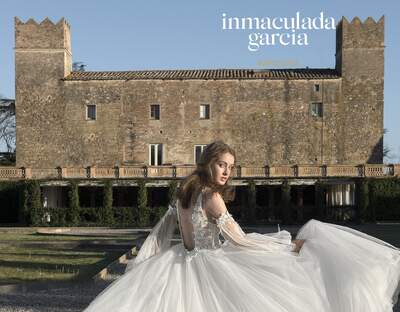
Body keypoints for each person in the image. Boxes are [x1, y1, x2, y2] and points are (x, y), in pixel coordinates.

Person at [84, 140, 400, 312]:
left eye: (230, 167)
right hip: (210, 264)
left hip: (177, 261)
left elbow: (163, 230)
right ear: (207, 162)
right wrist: (286, 245)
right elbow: (239, 242)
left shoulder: (185, 190)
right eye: (222, 164)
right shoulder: (210, 197)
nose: (226, 171)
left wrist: (147, 262)